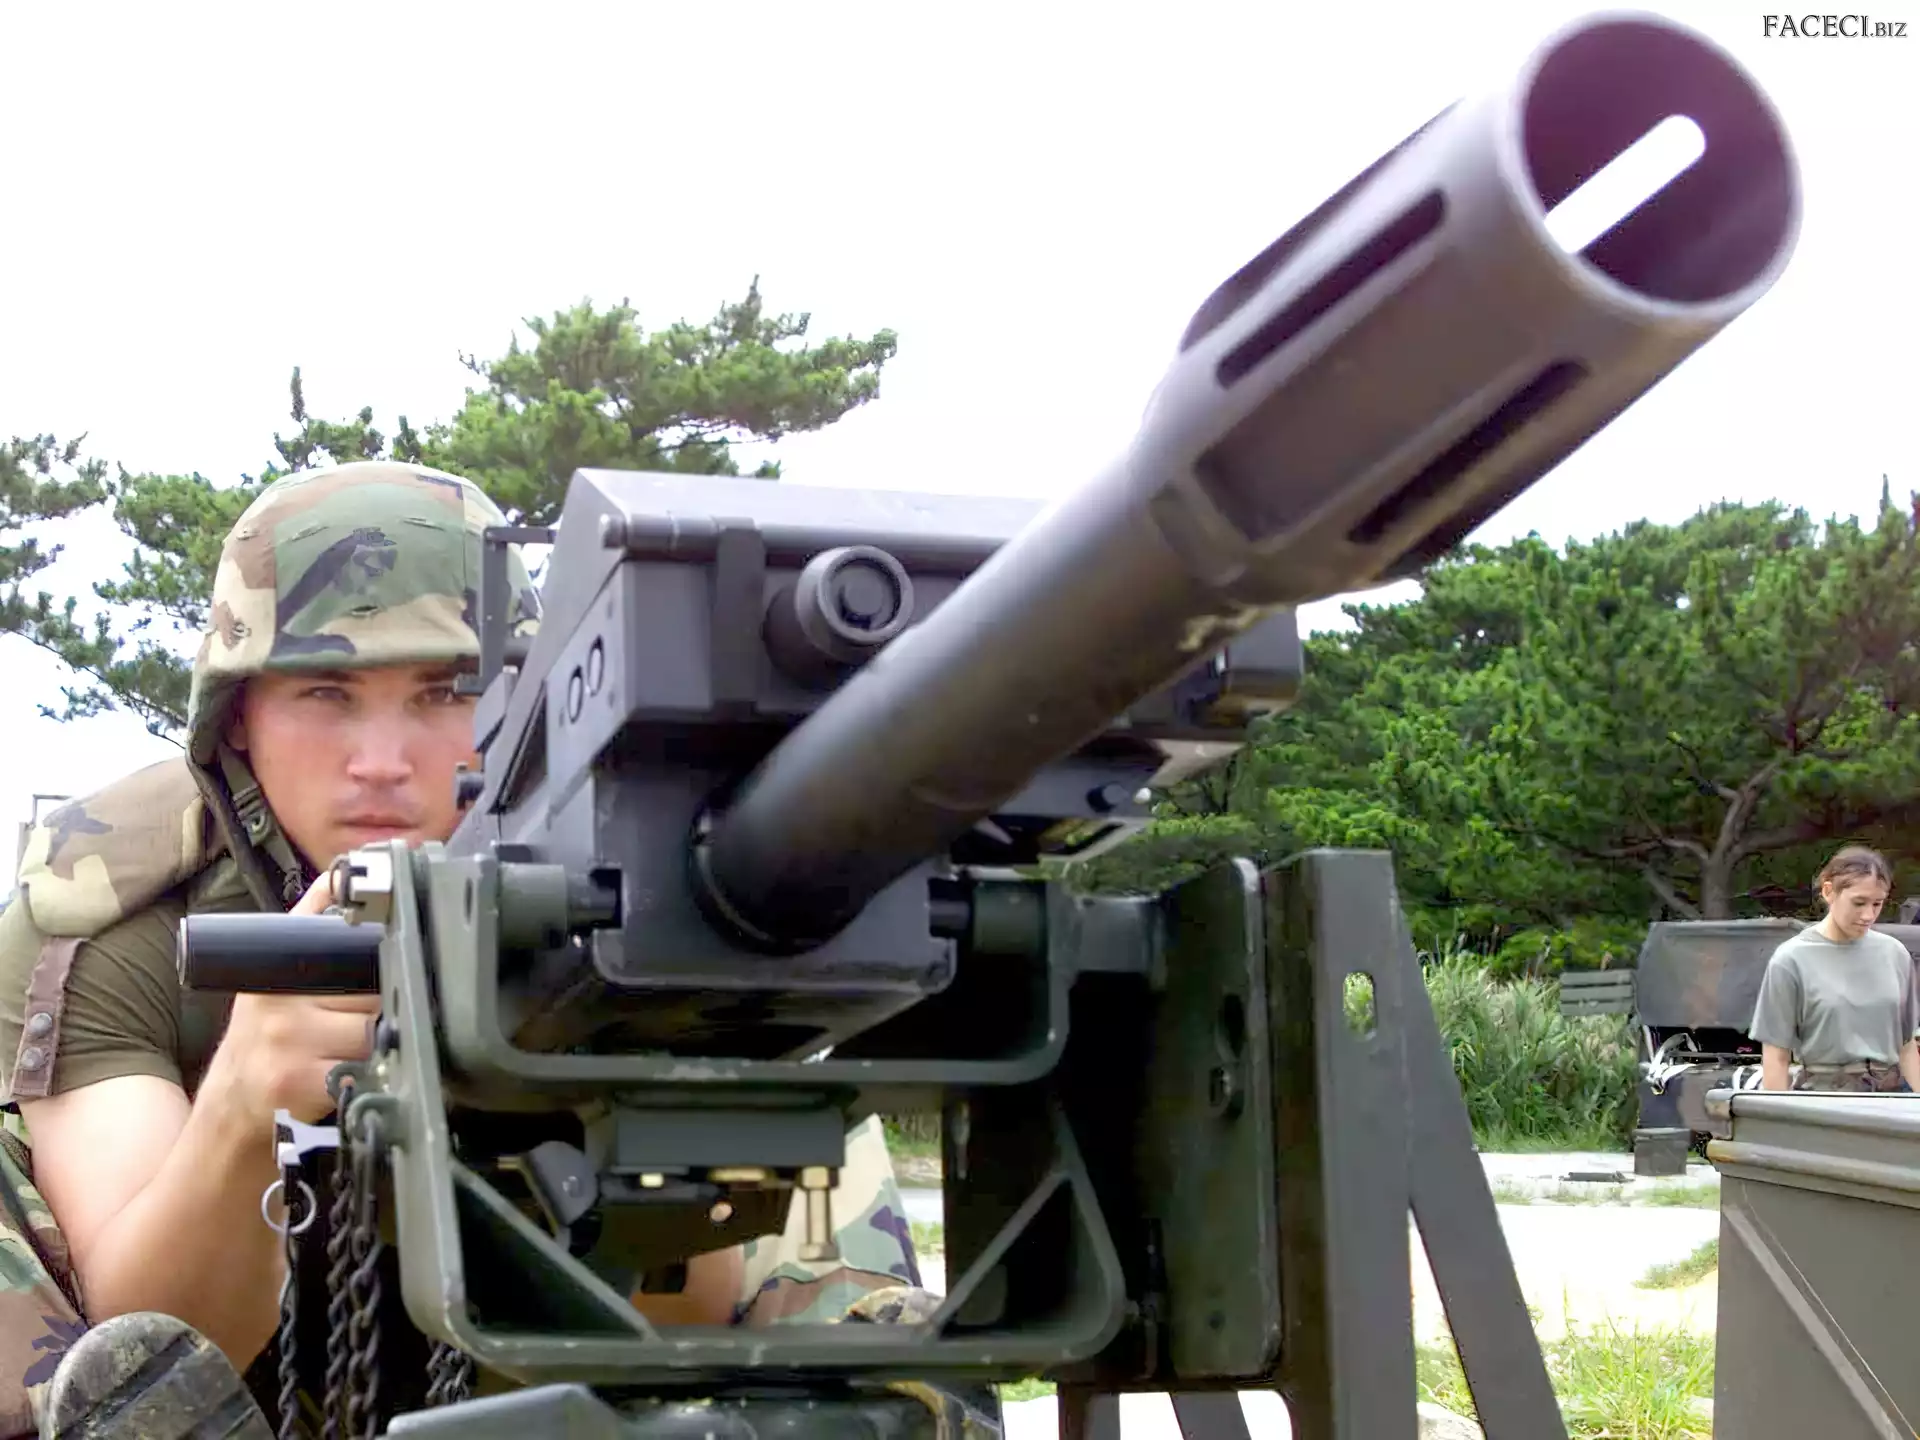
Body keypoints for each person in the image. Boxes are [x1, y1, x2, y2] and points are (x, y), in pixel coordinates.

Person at [0, 461, 901, 1436]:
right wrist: (245, 1106)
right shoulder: (118, 912)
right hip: (210, 1404)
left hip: (535, 1382)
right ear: (240, 723)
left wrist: (621, 1102)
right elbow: (145, 1356)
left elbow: (676, 1338)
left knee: (805, 1124)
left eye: (444, 693)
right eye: (326, 692)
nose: (381, 763)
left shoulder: (629, 890)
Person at [1748, 845, 1920, 1094]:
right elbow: (1776, 1056)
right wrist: (1777, 1115)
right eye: (1858, 903)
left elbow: (1906, 1046)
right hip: (1824, 1099)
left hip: (1890, 1099)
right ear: (1829, 891)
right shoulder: (1791, 960)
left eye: (1877, 904)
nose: (1868, 915)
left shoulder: (1895, 954)